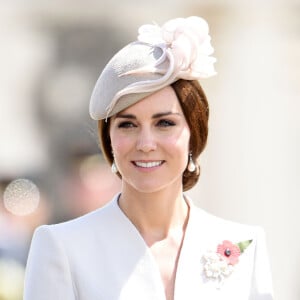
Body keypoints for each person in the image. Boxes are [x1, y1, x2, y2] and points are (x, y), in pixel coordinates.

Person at [23, 16, 274, 300]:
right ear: (109, 140)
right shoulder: (62, 247)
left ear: (195, 133)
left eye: (164, 123)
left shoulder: (243, 246)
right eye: (127, 125)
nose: (145, 144)